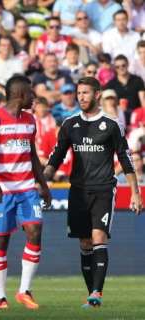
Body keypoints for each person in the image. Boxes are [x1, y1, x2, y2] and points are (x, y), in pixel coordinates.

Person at [44, 76, 142, 308]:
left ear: (97, 94)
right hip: (78, 191)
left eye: (86, 93)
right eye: (79, 93)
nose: (81, 97)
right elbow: (56, 157)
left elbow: (126, 161)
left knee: (99, 238)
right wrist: (42, 180)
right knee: (85, 243)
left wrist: (136, 193)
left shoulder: (111, 124)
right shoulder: (69, 124)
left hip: (103, 190)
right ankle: (92, 296)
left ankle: (97, 292)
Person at [0, 75, 51, 310]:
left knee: (35, 229)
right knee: (1, 242)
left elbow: (32, 155)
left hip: (27, 188)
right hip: (3, 190)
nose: (34, 98)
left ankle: (24, 291)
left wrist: (45, 185)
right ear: (21, 94)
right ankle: (1, 298)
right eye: (31, 94)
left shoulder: (30, 120)